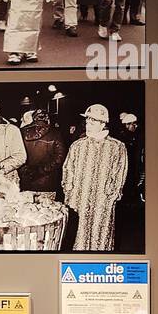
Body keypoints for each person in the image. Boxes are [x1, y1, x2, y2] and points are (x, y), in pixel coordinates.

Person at [62, 103, 129, 250]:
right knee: (78, 238)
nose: (88, 124)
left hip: (103, 202)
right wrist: (69, 192)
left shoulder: (116, 147)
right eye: (87, 120)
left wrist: (111, 195)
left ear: (103, 123)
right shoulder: (78, 146)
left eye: (93, 121)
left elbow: (119, 174)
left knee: (101, 238)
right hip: (78, 200)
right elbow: (68, 170)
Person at [17, 108, 66, 193]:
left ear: (34, 118)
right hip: (48, 181)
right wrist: (42, 170)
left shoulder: (21, 132)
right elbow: (60, 157)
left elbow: (16, 154)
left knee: (27, 205)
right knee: (47, 205)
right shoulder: (55, 133)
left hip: (25, 180)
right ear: (47, 118)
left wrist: (25, 171)